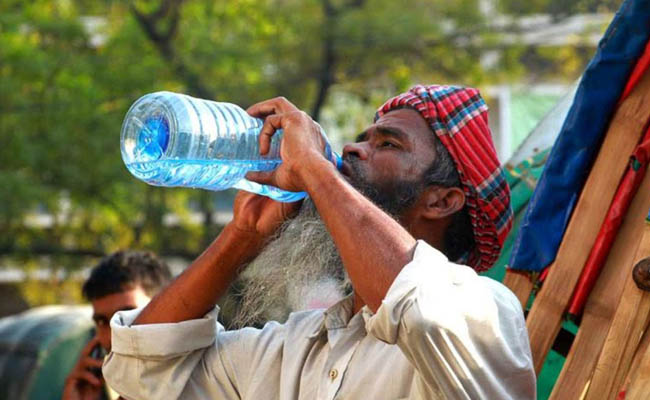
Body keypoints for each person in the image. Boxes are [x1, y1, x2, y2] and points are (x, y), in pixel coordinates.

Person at [104, 85, 537, 399]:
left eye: (387, 143)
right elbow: (140, 371)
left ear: (442, 200)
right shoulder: (298, 345)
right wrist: (242, 237)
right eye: (363, 137)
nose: (351, 148)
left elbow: (417, 307)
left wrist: (315, 169)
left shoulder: (485, 311)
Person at [63, 250, 172, 400]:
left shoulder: (206, 382)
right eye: (102, 322)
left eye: (128, 316)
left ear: (166, 310)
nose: (112, 337)